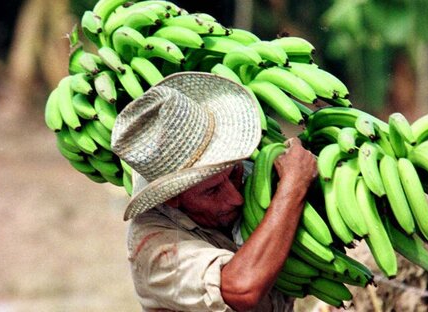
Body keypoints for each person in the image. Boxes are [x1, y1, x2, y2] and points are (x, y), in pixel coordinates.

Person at [110, 72, 318, 311]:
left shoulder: (248, 173)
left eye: (233, 174)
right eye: (212, 191)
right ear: (173, 199)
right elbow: (241, 289)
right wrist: (293, 187)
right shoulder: (154, 249)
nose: (236, 198)